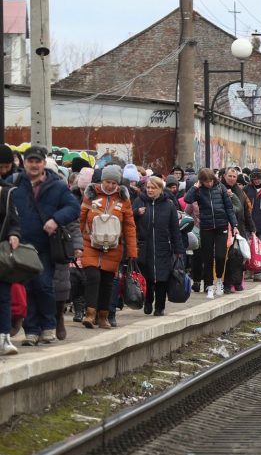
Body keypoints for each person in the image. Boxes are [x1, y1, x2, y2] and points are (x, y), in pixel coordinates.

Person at [8, 145, 80, 345]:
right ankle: (31, 330)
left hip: (45, 246)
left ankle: (48, 327)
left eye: (37, 161)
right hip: (20, 245)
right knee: (27, 287)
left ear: (43, 163)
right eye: (30, 161)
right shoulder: (14, 183)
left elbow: (73, 207)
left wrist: (56, 219)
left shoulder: (56, 185)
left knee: (44, 285)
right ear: (24, 163)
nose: (33, 165)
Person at [80, 165, 139, 329]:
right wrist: (76, 244)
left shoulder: (123, 199)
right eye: (108, 182)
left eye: (114, 183)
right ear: (102, 180)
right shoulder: (90, 195)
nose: (111, 186)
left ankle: (103, 316)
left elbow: (129, 226)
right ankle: (90, 314)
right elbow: (80, 219)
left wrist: (132, 251)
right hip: (89, 243)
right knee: (93, 276)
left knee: (107, 281)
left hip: (113, 247)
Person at [184, 168, 238, 297]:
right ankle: (209, 285)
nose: (209, 184)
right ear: (201, 181)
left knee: (220, 256)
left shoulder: (221, 188)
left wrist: (234, 225)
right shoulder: (198, 191)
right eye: (206, 182)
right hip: (206, 227)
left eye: (210, 181)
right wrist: (195, 187)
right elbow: (187, 200)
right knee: (207, 258)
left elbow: (229, 207)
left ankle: (219, 279)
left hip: (221, 226)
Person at [133, 176, 184, 316]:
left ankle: (160, 306)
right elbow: (129, 221)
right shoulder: (139, 201)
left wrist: (178, 249)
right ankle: (148, 301)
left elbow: (174, 229)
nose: (150, 190)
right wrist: (137, 213)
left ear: (160, 189)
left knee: (162, 277)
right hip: (144, 246)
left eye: (153, 188)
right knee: (148, 276)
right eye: (148, 187)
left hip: (163, 246)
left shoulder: (168, 205)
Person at [0, 168, 23, 354]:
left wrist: (14, 234)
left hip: (1, 252)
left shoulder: (6, 192)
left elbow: (14, 221)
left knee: (4, 295)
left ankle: (4, 338)